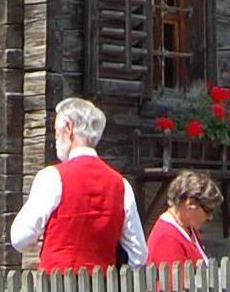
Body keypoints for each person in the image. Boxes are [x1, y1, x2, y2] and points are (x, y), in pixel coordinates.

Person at [9, 98, 148, 270]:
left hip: (56, 291)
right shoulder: (121, 185)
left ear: (69, 128)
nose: (56, 137)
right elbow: (138, 254)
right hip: (103, 291)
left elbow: (20, 237)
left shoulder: (52, 177)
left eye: (56, 131)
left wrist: (37, 240)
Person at [145, 171, 224, 266]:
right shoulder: (166, 240)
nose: (210, 217)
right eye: (208, 210)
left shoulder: (188, 228)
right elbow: (176, 280)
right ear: (191, 203)